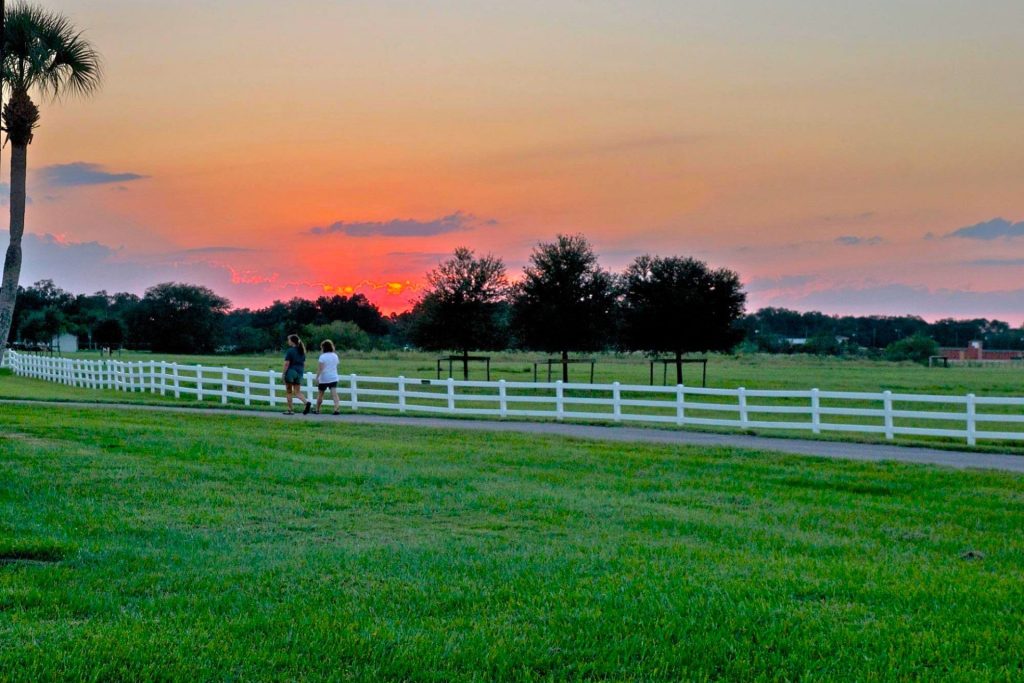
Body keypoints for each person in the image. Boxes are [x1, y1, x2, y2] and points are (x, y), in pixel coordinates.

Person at [282, 334, 312, 415]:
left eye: (289, 340)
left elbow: (287, 364)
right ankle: (306, 403)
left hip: (291, 372)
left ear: (292, 341)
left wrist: (283, 374)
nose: (288, 341)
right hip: (299, 372)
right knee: (297, 392)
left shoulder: (290, 351)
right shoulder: (302, 351)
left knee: (289, 391)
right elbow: (303, 363)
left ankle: (290, 410)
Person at [315, 339, 341, 415]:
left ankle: (317, 409)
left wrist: (317, 377)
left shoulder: (322, 357)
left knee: (320, 394)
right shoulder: (335, 356)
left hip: (324, 378)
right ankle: (336, 408)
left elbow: (320, 368)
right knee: (334, 394)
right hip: (333, 377)